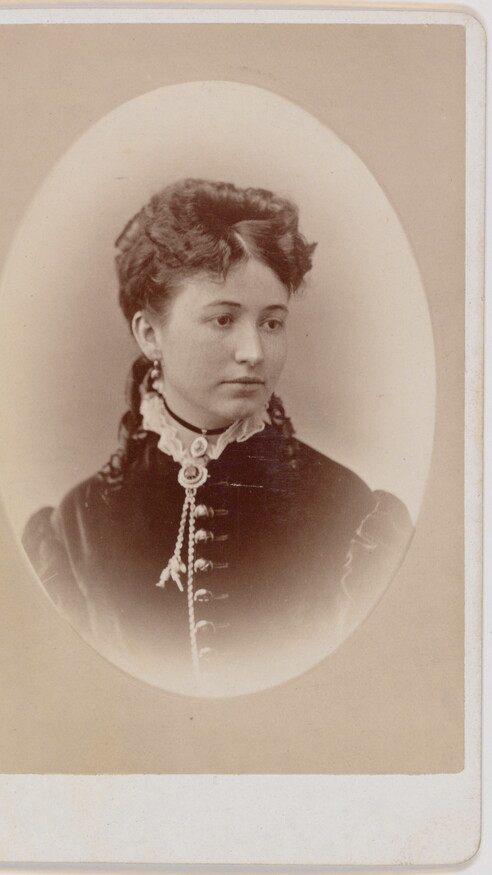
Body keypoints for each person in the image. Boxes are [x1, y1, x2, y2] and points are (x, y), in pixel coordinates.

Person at [22, 178, 413, 697]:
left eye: (272, 323)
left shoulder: (352, 514)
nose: (253, 351)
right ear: (149, 334)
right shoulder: (74, 531)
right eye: (223, 319)